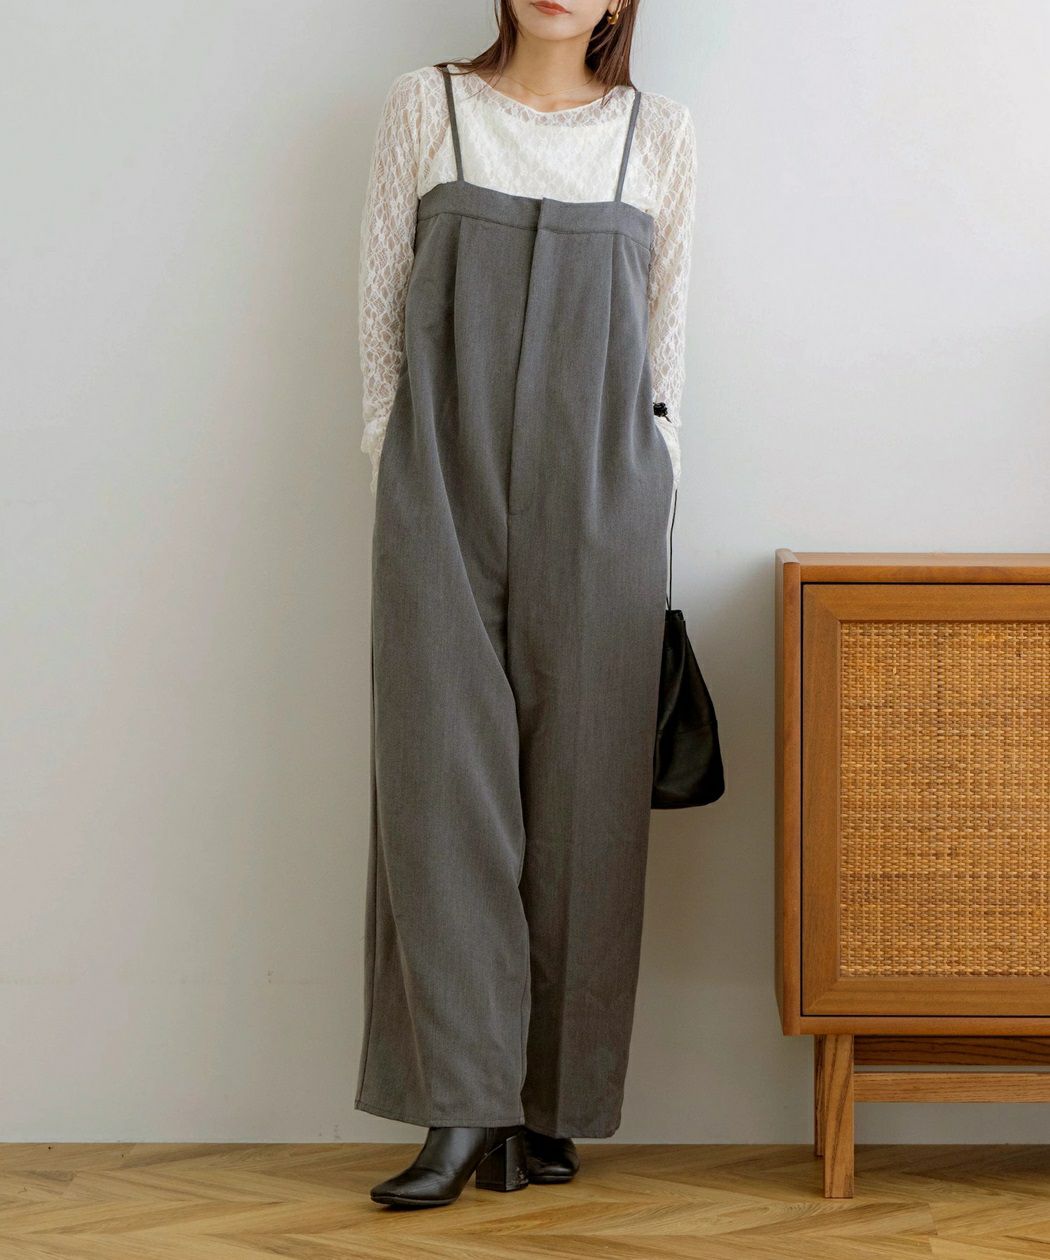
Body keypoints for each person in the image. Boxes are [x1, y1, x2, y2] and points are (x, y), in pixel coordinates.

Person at [356, 0, 697, 1209]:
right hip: (440, 480)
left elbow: (666, 342)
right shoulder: (428, 106)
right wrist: (395, 461)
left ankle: (548, 1107)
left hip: (602, 494)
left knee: (586, 798)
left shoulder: (658, 133)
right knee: (439, 785)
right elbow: (378, 312)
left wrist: (654, 484)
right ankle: (463, 1104)